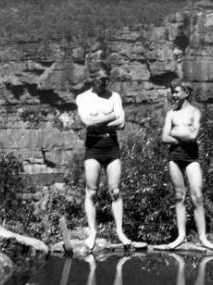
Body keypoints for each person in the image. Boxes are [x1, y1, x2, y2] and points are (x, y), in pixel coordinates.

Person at [75, 61, 145, 250]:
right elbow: (88, 123)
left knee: (115, 190)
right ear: (93, 78)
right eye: (102, 79)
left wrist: (100, 122)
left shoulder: (114, 97)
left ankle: (120, 231)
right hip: (93, 147)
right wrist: (110, 117)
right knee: (92, 191)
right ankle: (93, 232)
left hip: (111, 146)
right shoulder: (82, 98)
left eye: (107, 79)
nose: (105, 82)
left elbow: (122, 123)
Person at [159, 80, 213, 251]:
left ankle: (203, 238)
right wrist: (184, 133)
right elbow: (164, 137)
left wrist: (175, 132)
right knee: (179, 195)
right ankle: (181, 236)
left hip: (192, 158)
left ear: (186, 93)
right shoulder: (171, 114)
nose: (174, 95)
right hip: (174, 157)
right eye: (173, 92)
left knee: (197, 196)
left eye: (176, 92)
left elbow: (194, 137)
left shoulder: (195, 112)